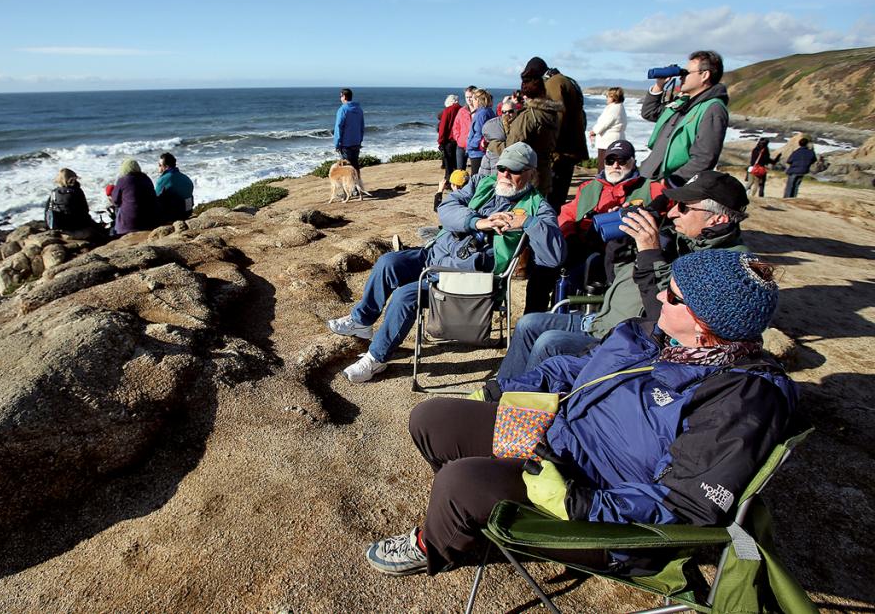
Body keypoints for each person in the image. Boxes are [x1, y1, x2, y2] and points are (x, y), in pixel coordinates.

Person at [364, 249, 796, 577]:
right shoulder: (656, 335)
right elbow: (573, 368)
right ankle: (479, 511)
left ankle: (437, 543)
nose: (659, 295)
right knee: (433, 419)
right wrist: (501, 391)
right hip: (559, 441)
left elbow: (685, 505)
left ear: (704, 325)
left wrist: (575, 498)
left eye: (674, 295)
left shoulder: (742, 400)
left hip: (601, 512)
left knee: (459, 482)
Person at [326, 143, 565, 383]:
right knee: (389, 262)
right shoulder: (482, 183)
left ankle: (376, 358)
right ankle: (361, 321)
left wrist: (528, 223)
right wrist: (477, 222)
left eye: (514, 170)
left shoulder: (537, 208)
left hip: (469, 279)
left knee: (405, 296)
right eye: (502, 168)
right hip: (436, 254)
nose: (504, 175)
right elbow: (447, 208)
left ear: (531, 173)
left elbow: (554, 257)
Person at [498, 170, 749, 379]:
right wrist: (621, 244)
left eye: (683, 208)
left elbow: (661, 314)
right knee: (528, 323)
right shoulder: (681, 239)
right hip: (604, 321)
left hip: (633, 342)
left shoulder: (726, 266)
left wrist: (651, 252)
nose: (672, 213)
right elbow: (618, 275)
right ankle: (501, 393)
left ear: (717, 218)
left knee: (549, 342)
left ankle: (521, 407)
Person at [556, 140, 665, 275]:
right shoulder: (587, 188)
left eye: (622, 160)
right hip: (585, 250)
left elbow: (670, 212)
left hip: (630, 256)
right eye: (610, 160)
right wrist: (570, 236)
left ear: (633, 162)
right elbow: (567, 214)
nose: (616, 165)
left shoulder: (651, 188)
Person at [641, 50, 729, 185]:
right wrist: (660, 85)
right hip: (651, 176)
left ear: (704, 75)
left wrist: (671, 183)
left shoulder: (713, 109)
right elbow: (650, 112)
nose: (681, 77)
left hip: (670, 184)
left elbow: (704, 158)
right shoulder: (683, 102)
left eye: (686, 73)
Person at [506, 57, 562, 202]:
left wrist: (493, 144)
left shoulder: (529, 116)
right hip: (544, 175)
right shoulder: (552, 112)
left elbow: (511, 152)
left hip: (526, 180)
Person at [545, 66, 590, 211]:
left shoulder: (556, 84)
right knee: (558, 196)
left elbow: (556, 119)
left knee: (552, 199)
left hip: (560, 152)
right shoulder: (572, 86)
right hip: (570, 150)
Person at [110, 158, 159, 235]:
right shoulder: (146, 178)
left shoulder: (122, 180)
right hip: (149, 221)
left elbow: (115, 201)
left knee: (118, 207)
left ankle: (117, 229)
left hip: (129, 225)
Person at [475, 97, 517, 180]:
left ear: (516, 111)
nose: (507, 114)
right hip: (493, 164)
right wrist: (484, 144)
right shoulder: (493, 125)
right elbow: (484, 144)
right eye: (504, 112)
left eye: (510, 111)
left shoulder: (520, 126)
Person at [44, 168, 95, 234]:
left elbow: (47, 211)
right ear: (72, 179)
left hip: (58, 226)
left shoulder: (54, 192)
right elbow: (85, 210)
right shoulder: (76, 191)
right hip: (75, 226)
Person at [588, 87, 628, 171]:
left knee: (605, 164)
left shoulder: (614, 108)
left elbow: (605, 123)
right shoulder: (618, 107)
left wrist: (594, 131)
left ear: (614, 97)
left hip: (608, 140)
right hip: (613, 139)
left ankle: (603, 183)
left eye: (608, 96)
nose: (607, 98)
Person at [155, 152, 195, 223]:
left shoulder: (164, 179)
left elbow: (154, 198)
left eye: (159, 165)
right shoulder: (186, 178)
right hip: (188, 212)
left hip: (174, 216)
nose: (158, 167)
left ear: (166, 167)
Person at [334, 88, 365, 174]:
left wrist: (337, 143)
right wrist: (360, 140)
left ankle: (350, 187)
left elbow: (338, 127)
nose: (340, 98)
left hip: (346, 144)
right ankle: (358, 186)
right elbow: (362, 126)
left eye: (340, 96)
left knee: (347, 169)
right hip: (356, 142)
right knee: (355, 166)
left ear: (344, 96)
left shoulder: (343, 109)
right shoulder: (359, 109)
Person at [465, 89, 495, 176]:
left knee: (476, 177)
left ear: (477, 100)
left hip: (477, 152)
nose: (471, 101)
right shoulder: (488, 111)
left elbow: (479, 133)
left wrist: (470, 145)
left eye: (473, 99)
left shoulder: (482, 113)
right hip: (482, 150)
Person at [451, 87, 476, 180]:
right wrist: (458, 138)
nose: (469, 99)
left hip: (475, 146)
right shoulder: (462, 111)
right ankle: (460, 191)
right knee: (460, 171)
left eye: (470, 97)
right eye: (467, 97)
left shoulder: (480, 111)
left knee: (475, 172)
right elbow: (455, 127)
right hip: (461, 145)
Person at [437, 95, 462, 181]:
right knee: (458, 164)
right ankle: (459, 181)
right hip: (460, 140)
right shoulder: (463, 110)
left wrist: (440, 141)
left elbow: (442, 127)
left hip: (449, 141)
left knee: (449, 165)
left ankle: (448, 182)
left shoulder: (447, 110)